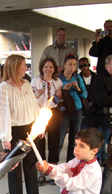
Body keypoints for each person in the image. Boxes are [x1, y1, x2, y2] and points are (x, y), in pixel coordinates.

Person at [0, 54, 40, 194]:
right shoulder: (4, 88)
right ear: (14, 67)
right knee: (14, 167)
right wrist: (5, 137)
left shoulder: (27, 84)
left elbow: (34, 106)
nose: (26, 68)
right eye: (23, 65)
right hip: (13, 131)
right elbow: (2, 113)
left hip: (29, 129)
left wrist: (39, 126)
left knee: (30, 165)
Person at [82, 55, 112, 163]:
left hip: (110, 119)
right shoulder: (100, 79)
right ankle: (94, 174)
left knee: (111, 147)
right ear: (106, 66)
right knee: (97, 149)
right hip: (99, 119)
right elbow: (101, 101)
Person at [31, 57, 63, 186]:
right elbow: (32, 100)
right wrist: (37, 94)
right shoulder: (35, 81)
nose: (48, 69)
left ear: (54, 69)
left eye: (50, 67)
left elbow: (60, 101)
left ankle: (52, 172)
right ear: (42, 68)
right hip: (39, 113)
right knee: (40, 143)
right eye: (46, 67)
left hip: (54, 113)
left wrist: (59, 96)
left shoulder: (58, 82)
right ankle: (42, 173)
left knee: (54, 143)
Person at [58, 55, 87, 162]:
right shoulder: (58, 79)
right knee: (59, 141)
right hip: (64, 111)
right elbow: (54, 97)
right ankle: (54, 164)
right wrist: (63, 90)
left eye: (74, 65)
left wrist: (77, 88)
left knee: (74, 141)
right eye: (70, 64)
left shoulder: (78, 78)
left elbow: (85, 94)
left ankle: (70, 164)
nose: (72, 67)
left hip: (77, 110)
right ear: (64, 65)